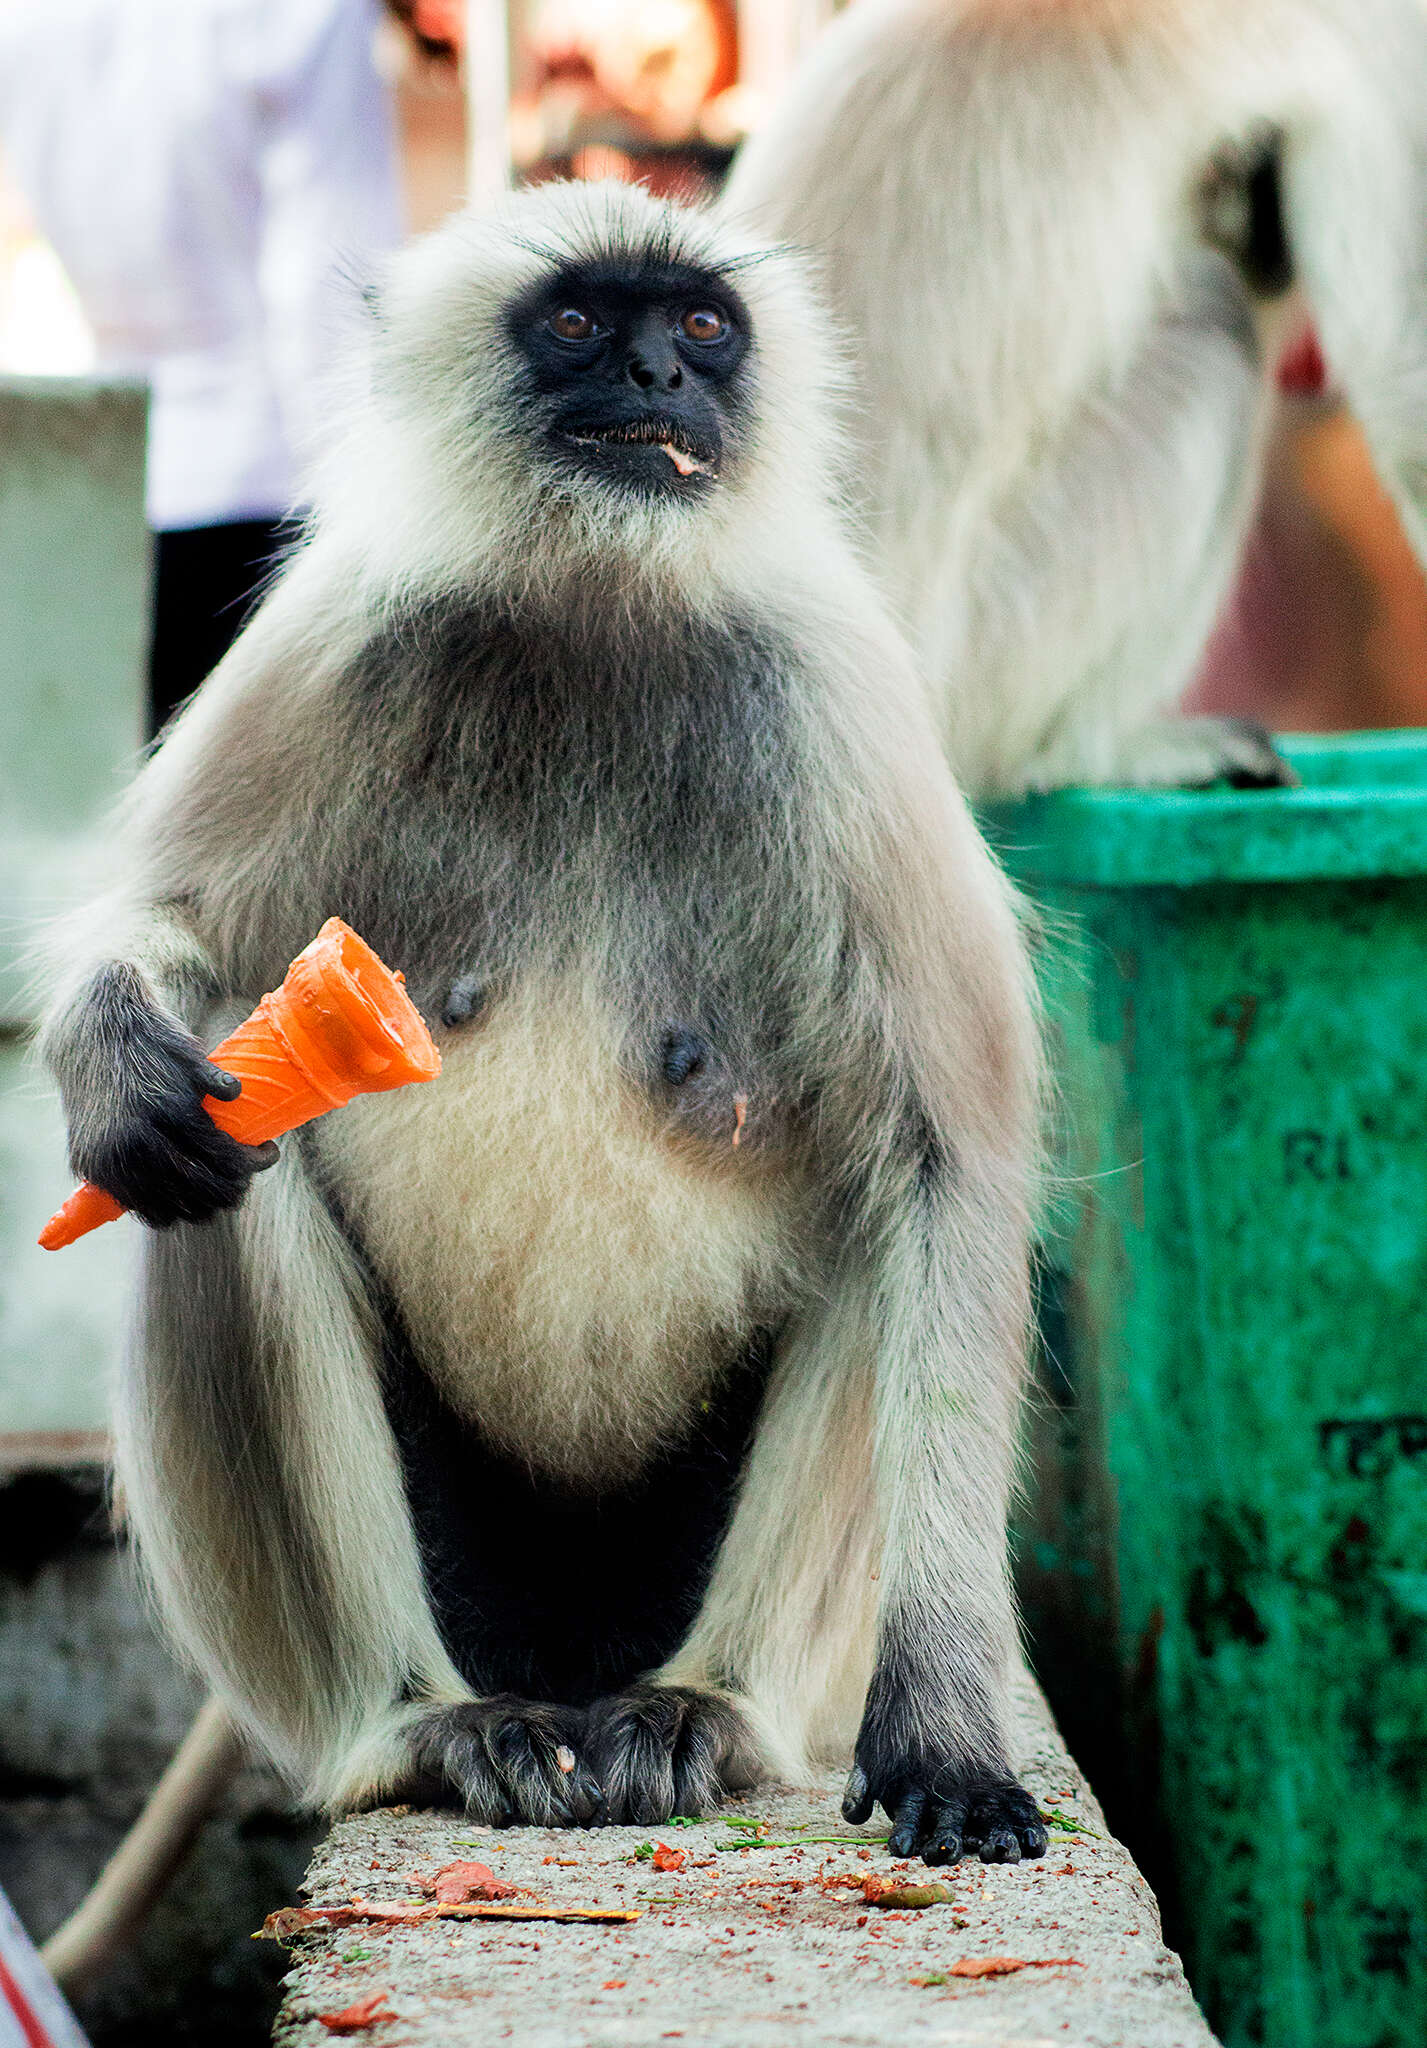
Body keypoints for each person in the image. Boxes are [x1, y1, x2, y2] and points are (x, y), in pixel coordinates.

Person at [0, 0, 403, 732]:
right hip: (275, 497)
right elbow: (332, 283)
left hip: (114, 493)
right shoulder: (299, 14)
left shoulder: (26, 20)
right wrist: (371, 536)